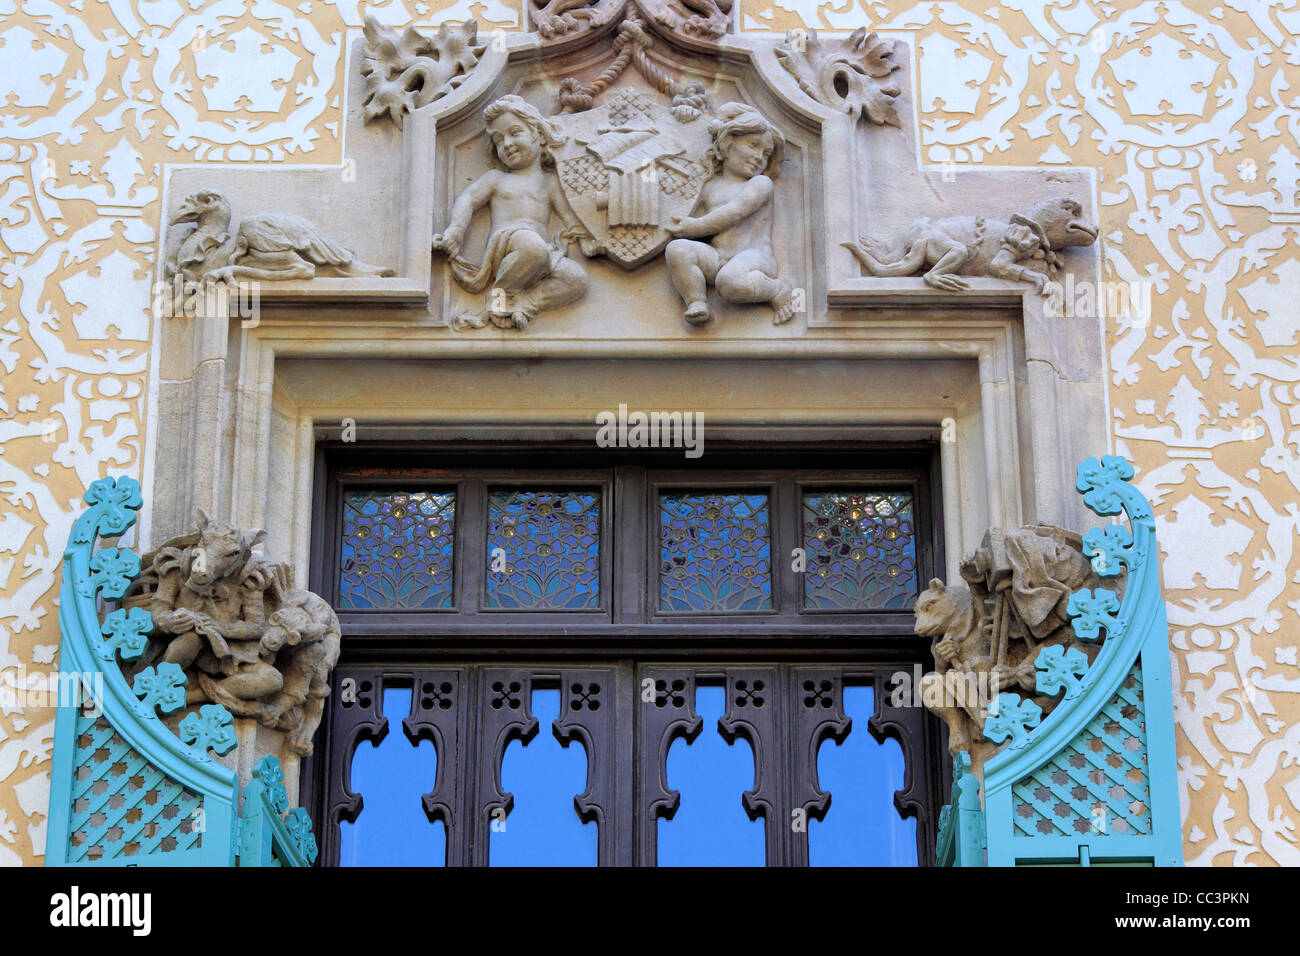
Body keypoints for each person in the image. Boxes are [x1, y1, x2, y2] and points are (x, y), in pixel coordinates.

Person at [432, 95, 597, 330]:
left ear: (538, 134)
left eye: (514, 132)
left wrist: (589, 237)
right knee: (533, 247)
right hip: (509, 242)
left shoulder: (550, 182)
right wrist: (455, 232)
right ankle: (499, 295)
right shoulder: (496, 179)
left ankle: (523, 304)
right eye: (499, 140)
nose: (506, 144)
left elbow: (571, 218)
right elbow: (467, 199)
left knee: (576, 279)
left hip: (540, 253)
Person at [664, 102, 796, 325]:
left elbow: (734, 212)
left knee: (730, 281)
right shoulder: (709, 187)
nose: (759, 157)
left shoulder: (760, 184)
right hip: (718, 257)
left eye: (766, 153)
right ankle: (697, 301)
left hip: (754, 258)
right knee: (678, 249)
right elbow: (681, 206)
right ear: (726, 144)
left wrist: (695, 227)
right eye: (753, 145)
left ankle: (777, 290)